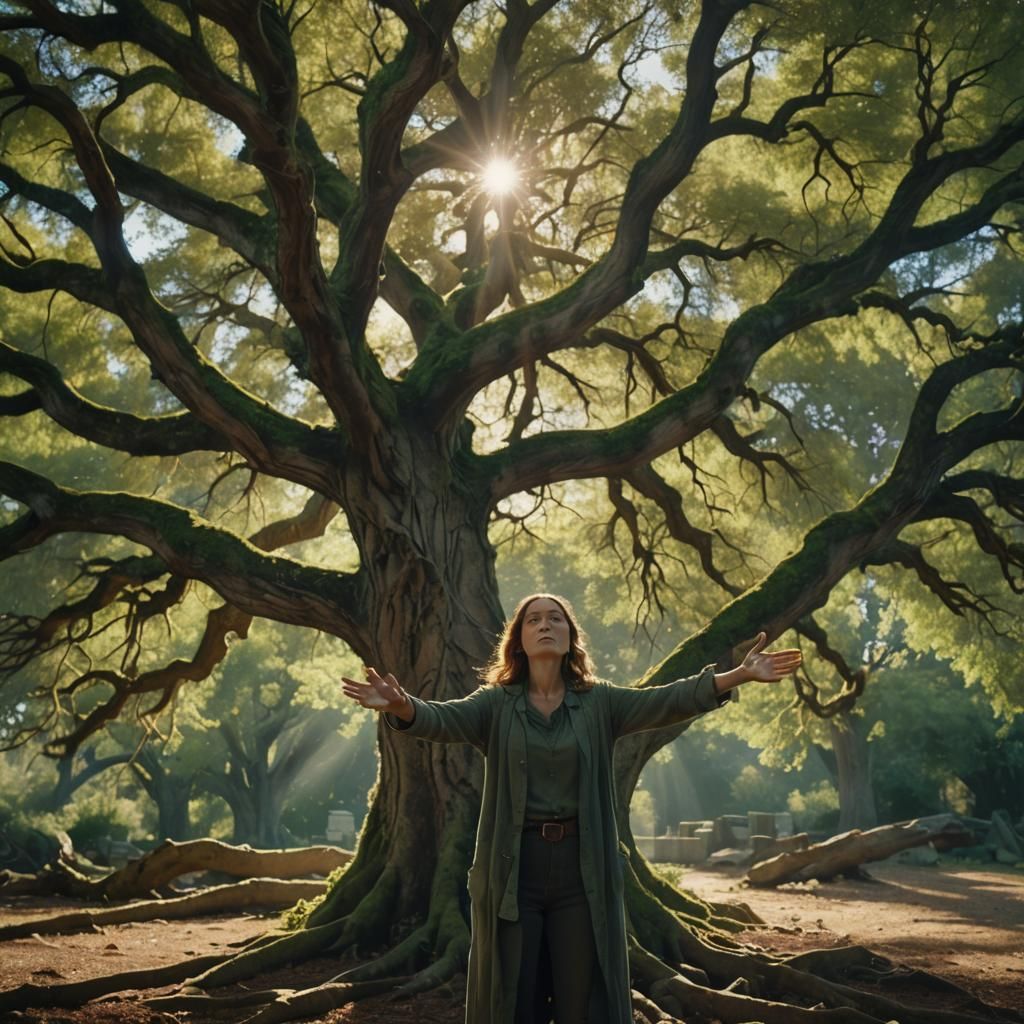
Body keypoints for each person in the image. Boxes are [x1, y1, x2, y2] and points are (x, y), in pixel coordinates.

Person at [341, 593, 802, 1024]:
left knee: (580, 996)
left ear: (570, 637)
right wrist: (402, 706)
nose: (545, 625)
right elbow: (441, 718)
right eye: (534, 620)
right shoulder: (495, 705)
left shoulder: (600, 702)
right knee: (513, 993)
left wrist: (738, 675)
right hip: (514, 873)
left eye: (555, 618)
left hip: (582, 873)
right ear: (518, 640)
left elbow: (666, 699)